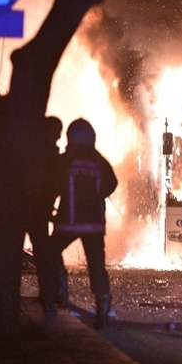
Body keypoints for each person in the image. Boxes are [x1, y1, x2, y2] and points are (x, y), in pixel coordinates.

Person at [48, 118, 118, 329]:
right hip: (94, 224)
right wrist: (98, 196)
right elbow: (112, 183)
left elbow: (52, 185)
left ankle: (60, 291)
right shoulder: (100, 161)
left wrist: (49, 209)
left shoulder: (65, 160)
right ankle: (103, 313)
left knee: (50, 250)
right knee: (96, 266)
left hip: (68, 221)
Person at [27, 116, 68, 316]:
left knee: (43, 255)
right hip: (37, 212)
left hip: (35, 211)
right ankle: (50, 298)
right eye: (56, 132)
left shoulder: (41, 154)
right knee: (43, 255)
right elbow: (55, 185)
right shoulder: (47, 156)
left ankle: (49, 297)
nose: (58, 136)